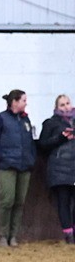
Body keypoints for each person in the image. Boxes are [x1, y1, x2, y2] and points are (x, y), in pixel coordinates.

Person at [0, 89, 36, 246]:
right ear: (14, 102)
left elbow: (30, 141)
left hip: (24, 165)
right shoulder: (0, 118)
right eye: (23, 100)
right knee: (7, 200)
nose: (26, 103)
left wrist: (31, 158)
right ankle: (4, 234)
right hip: (7, 165)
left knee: (19, 202)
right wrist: (3, 156)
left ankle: (13, 235)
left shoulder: (25, 119)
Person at [37, 94, 75, 244]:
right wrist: (61, 138)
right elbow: (43, 144)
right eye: (62, 105)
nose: (66, 107)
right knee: (63, 201)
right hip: (60, 167)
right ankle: (68, 234)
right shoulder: (51, 123)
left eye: (67, 103)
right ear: (56, 107)